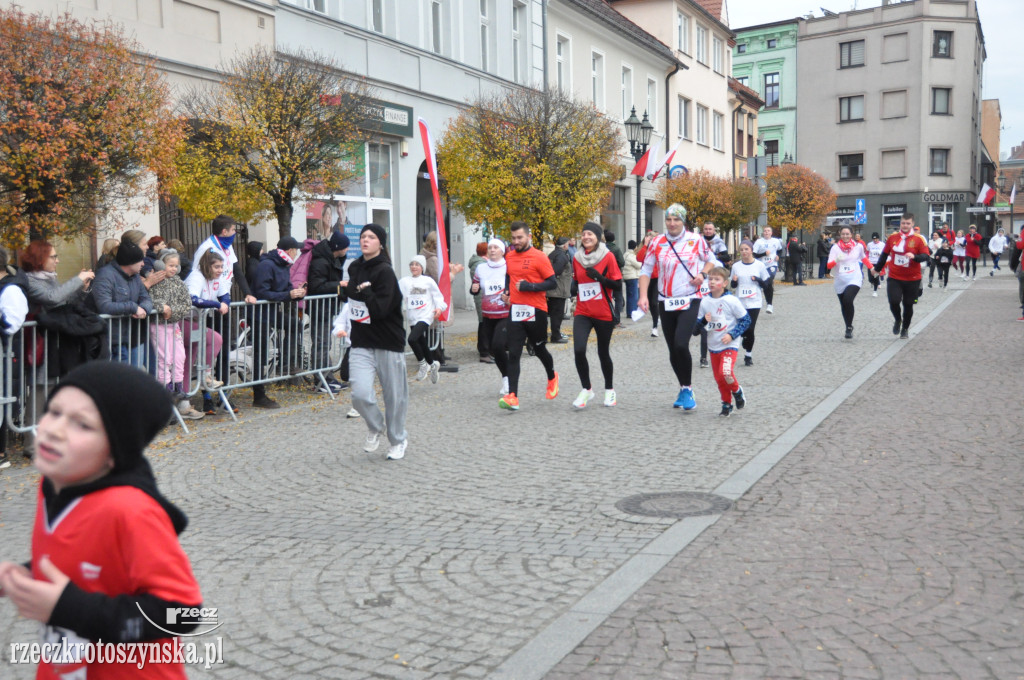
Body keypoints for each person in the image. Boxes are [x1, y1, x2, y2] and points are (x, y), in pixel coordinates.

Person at [0, 362, 203, 679]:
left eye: (82, 425)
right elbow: (77, 562)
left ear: (115, 451)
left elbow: (183, 614)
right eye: (54, 411)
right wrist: (22, 576)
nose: (53, 429)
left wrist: (69, 608)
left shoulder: (130, 510)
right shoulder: (52, 485)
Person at [341, 224, 409, 460]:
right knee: (359, 393)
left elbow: (380, 309)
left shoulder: (385, 272)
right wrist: (354, 291)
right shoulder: (355, 266)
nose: (365, 240)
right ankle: (376, 426)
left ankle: (398, 440)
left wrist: (365, 293)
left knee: (394, 397)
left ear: (381, 243)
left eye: (371, 237)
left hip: (388, 341)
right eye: (362, 237)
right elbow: (351, 294)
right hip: (361, 341)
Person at [638, 203, 714, 410]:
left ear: (683, 221)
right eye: (669, 219)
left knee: (681, 344)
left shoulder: (696, 240)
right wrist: (643, 295)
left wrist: (703, 275)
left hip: (691, 298)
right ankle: (682, 387)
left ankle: (688, 388)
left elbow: (711, 260)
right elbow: (645, 269)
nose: (672, 223)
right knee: (672, 348)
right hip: (666, 300)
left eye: (676, 220)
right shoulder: (657, 242)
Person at [499, 221, 559, 411]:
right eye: (513, 238)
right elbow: (509, 276)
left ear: (529, 237)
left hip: (536, 310)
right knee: (514, 353)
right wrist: (507, 292)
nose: (516, 241)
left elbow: (552, 283)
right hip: (516, 310)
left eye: (520, 238)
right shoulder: (509, 256)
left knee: (539, 349)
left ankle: (552, 376)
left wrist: (530, 287)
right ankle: (512, 396)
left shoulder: (539, 257)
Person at [570, 223, 622, 409]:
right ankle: (587, 389)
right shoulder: (576, 258)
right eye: (583, 234)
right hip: (583, 311)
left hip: (603, 311)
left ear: (598, 236)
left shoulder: (607, 256)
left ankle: (609, 390)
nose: (586, 237)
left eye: (590, 233)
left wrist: (600, 278)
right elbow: (576, 280)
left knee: (603, 352)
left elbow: (617, 285)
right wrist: (573, 287)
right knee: (578, 350)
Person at [251, 236, 307, 409]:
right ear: (290, 250)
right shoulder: (268, 265)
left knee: (295, 325)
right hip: (260, 313)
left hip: (272, 312)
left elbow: (286, 287)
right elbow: (262, 293)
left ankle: (286, 363)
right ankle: (258, 395)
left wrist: (296, 292)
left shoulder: (283, 264)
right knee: (260, 354)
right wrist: (287, 295)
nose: (297, 253)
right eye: (296, 250)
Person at [149, 250, 205, 420]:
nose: (173, 269)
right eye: (170, 265)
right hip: (158, 325)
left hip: (174, 325)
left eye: (175, 266)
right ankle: (164, 388)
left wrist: (173, 312)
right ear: (161, 265)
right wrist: (162, 308)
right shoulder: (155, 282)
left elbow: (186, 303)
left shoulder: (178, 283)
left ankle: (178, 386)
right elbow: (150, 299)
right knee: (164, 358)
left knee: (179, 356)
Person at [87, 237, 154, 368]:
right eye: (140, 260)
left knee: (132, 376)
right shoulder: (105, 275)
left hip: (130, 336)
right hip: (109, 339)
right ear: (129, 262)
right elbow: (104, 305)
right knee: (117, 379)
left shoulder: (135, 277)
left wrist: (144, 309)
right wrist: (133, 308)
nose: (143, 264)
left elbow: (146, 298)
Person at [693, 267, 750, 417]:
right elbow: (695, 330)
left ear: (725, 283)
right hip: (714, 345)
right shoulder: (705, 301)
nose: (712, 282)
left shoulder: (731, 301)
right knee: (719, 378)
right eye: (710, 279)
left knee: (725, 372)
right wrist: (703, 321)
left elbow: (746, 320)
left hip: (729, 344)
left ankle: (737, 391)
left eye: (716, 279)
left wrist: (732, 335)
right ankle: (726, 403)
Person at [185, 251, 232, 415]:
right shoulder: (196, 277)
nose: (220, 270)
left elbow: (225, 295)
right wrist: (216, 304)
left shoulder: (217, 278)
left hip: (197, 322)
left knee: (216, 339)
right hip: (183, 321)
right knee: (187, 360)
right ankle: (183, 401)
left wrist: (223, 303)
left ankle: (205, 375)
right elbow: (193, 299)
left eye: (221, 267)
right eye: (216, 267)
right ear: (207, 266)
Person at [872, 212, 930, 339]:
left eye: (908, 223)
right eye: (903, 223)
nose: (905, 225)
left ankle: (905, 328)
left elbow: (926, 256)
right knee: (893, 301)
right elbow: (884, 254)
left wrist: (914, 256)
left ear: (912, 224)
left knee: (908, 304)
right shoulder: (893, 238)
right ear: (900, 223)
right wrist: (877, 269)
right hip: (895, 276)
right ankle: (898, 320)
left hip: (913, 278)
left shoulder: (918, 239)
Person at [306, 231, 350, 393]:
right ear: (338, 247)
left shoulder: (329, 259)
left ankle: (327, 377)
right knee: (321, 343)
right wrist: (339, 285)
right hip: (319, 307)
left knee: (325, 343)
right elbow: (316, 286)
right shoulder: (321, 262)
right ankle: (321, 380)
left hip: (325, 307)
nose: (347, 251)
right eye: (345, 248)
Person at [470, 239, 511, 395]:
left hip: (505, 314)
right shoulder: (481, 268)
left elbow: (514, 285)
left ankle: (508, 379)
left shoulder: (508, 267)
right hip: (487, 315)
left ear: (502, 251)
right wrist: (473, 289)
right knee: (494, 348)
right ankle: (506, 376)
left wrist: (510, 295)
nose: (492, 250)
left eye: (496, 247)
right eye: (490, 247)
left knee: (499, 345)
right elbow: (475, 287)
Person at [398, 255, 447, 383]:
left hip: (426, 315)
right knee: (422, 342)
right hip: (412, 316)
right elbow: (395, 294)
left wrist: (439, 308)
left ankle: (423, 364)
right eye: (412, 264)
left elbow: (438, 297)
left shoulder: (428, 281)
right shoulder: (404, 281)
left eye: (417, 264)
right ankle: (432, 364)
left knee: (412, 339)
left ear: (422, 267)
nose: (414, 267)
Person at [826, 227, 872, 339]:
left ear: (851, 235)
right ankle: (849, 326)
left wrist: (872, 268)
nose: (845, 236)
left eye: (847, 234)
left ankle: (849, 327)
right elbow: (828, 266)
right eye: (843, 234)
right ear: (840, 235)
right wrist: (837, 260)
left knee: (848, 299)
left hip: (854, 278)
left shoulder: (858, 246)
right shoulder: (835, 248)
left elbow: (864, 258)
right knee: (844, 304)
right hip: (840, 280)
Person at [729, 240, 769, 366]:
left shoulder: (759, 265)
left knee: (750, 328)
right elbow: (733, 285)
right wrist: (734, 281)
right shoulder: (736, 266)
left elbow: (766, 284)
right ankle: (743, 341)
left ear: (751, 250)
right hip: (740, 302)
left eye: (746, 249)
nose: (744, 252)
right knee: (742, 327)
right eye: (741, 250)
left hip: (754, 302)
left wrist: (758, 279)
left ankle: (748, 355)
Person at [467, 242, 490, 362]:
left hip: (483, 296)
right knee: (483, 322)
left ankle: (485, 348)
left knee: (484, 322)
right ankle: (484, 350)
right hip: (482, 296)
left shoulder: (481, 263)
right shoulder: (480, 264)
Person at [753, 226, 784, 313]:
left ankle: (769, 305)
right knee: (765, 284)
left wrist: (778, 256)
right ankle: (762, 300)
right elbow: (754, 255)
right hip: (761, 266)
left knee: (769, 280)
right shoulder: (759, 242)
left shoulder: (776, 241)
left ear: (771, 233)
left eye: (768, 231)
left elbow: (780, 250)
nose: (766, 232)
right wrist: (763, 254)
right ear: (763, 233)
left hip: (772, 265)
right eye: (765, 231)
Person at [546, 237, 572, 343]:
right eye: (568, 244)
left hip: (555, 289)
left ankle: (556, 334)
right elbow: (555, 271)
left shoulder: (554, 253)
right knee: (557, 314)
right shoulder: (561, 255)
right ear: (564, 245)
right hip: (558, 289)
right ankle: (556, 336)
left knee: (555, 313)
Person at [636, 230, 661, 337]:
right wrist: (645, 245)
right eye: (648, 238)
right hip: (647, 278)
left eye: (651, 238)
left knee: (654, 302)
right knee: (650, 303)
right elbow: (639, 258)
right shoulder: (644, 248)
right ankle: (656, 320)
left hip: (657, 278)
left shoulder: (658, 248)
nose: (650, 240)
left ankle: (655, 326)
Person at [603, 230, 626, 327]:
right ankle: (616, 320)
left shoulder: (602, 248)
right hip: (615, 275)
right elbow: (622, 262)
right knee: (618, 298)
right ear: (614, 239)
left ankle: (607, 318)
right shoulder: (616, 249)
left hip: (604, 275)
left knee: (606, 297)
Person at [623, 240, 642, 318]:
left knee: (629, 295)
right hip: (632, 277)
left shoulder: (625, 254)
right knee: (634, 296)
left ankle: (629, 312)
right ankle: (632, 312)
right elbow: (639, 265)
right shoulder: (631, 256)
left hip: (627, 277)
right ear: (635, 247)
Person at [866, 232, 886, 297]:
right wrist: (866, 259)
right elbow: (867, 252)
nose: (875, 240)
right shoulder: (869, 244)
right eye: (873, 239)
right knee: (870, 278)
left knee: (875, 277)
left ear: (878, 238)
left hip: (878, 263)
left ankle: (875, 291)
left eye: (876, 239)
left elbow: (885, 253)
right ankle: (873, 282)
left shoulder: (882, 244)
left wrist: (882, 255)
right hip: (870, 262)